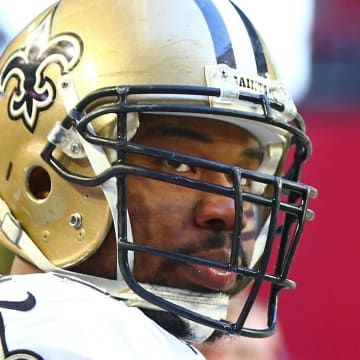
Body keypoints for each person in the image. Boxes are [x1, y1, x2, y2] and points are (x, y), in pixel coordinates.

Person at [0, 0, 317, 358]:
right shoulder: (74, 334)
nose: (230, 210)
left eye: (245, 178)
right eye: (178, 165)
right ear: (43, 181)